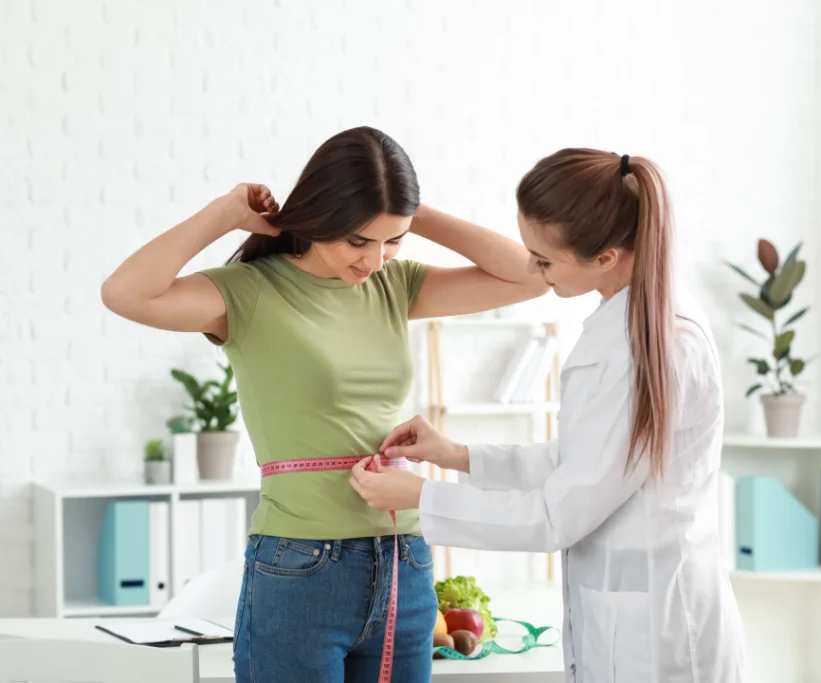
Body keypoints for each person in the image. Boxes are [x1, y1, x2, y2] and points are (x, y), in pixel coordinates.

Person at [100, 126, 549, 683]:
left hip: (404, 561)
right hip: (300, 567)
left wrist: (411, 212)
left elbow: (533, 277)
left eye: (394, 241)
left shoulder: (394, 285)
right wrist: (223, 214)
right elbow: (125, 293)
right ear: (319, 218)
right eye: (358, 241)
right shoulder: (247, 292)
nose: (375, 260)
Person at [349, 149, 746, 682]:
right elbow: (581, 462)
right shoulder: (623, 320)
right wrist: (456, 455)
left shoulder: (658, 343)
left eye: (544, 260)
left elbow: (557, 516)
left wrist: (421, 499)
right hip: (625, 616)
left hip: (660, 636)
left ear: (605, 256)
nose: (533, 271)